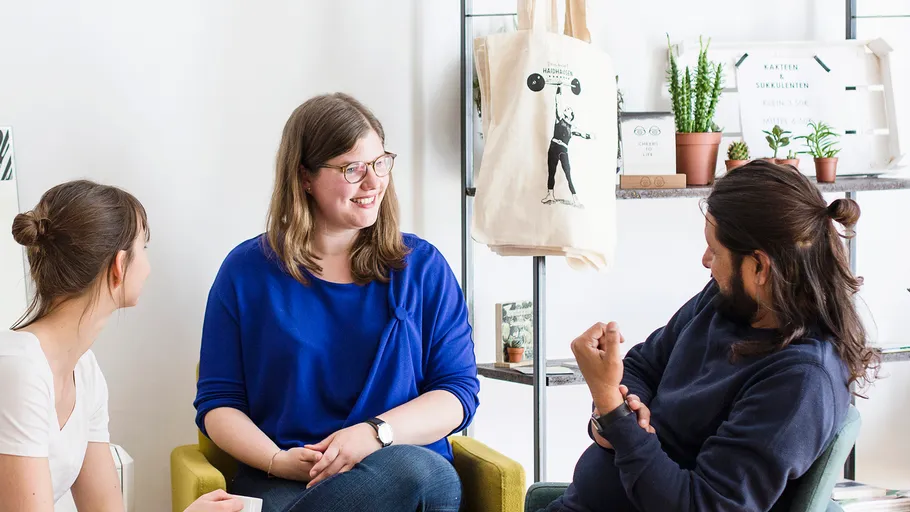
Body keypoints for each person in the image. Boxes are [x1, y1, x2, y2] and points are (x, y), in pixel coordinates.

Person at [194, 93, 479, 512]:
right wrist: (277, 460)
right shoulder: (246, 272)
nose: (373, 182)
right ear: (304, 177)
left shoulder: (422, 267)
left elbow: (457, 392)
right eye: (353, 169)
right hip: (291, 479)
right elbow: (219, 403)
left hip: (402, 471)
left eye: (380, 163)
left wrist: (374, 434)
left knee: (421, 474)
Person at [548, 160, 879, 512]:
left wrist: (613, 409)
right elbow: (643, 365)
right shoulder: (725, 301)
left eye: (715, 250)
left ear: (759, 267)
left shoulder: (801, 381)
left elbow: (704, 505)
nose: (705, 260)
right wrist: (613, 419)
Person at [0, 180, 243, 512]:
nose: (149, 267)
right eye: (144, 247)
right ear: (118, 265)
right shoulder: (18, 370)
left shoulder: (84, 372)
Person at [540, 85, 594, 208]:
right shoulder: (559, 118)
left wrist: (592, 136)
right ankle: (550, 195)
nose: (566, 109)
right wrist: (559, 90)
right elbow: (558, 103)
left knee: (568, 174)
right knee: (551, 172)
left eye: (568, 109)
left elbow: (583, 134)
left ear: (571, 115)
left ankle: (575, 198)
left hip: (563, 149)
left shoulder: (571, 127)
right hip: (553, 147)